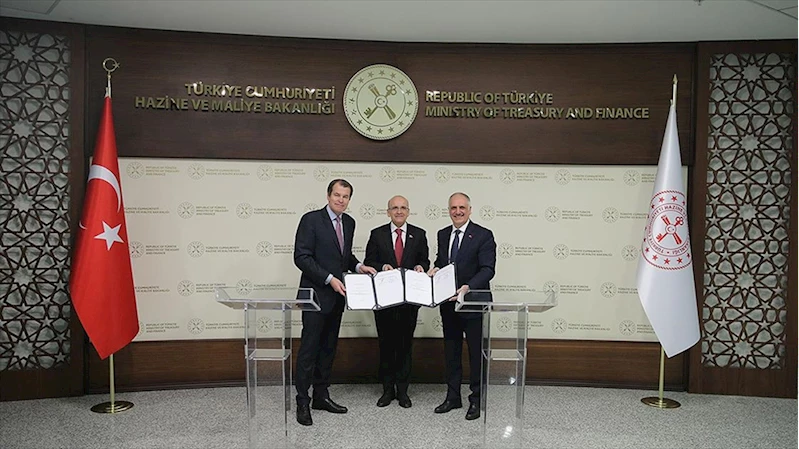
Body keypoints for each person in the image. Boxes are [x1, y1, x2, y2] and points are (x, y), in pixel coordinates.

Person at [293, 179, 377, 426]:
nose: (341, 200)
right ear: (328, 195)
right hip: (315, 296)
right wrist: (329, 279)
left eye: (346, 196)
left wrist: (359, 267)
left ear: (349, 199)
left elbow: (344, 256)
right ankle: (302, 401)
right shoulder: (311, 220)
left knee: (328, 349)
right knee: (309, 350)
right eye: (337, 195)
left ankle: (321, 396)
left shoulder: (349, 222)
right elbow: (301, 257)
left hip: (337, 297)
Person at [429, 192, 496, 421]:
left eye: (462, 207)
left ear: (469, 210)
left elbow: (488, 269)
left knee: (476, 354)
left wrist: (468, 287)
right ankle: (453, 397)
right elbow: (443, 262)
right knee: (452, 352)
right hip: (449, 304)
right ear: (449, 210)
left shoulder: (484, 235)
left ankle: (476, 399)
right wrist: (435, 269)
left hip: (474, 303)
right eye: (453, 208)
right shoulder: (443, 234)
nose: (457, 211)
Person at [364, 195, 430, 409]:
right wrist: (381, 267)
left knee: (405, 346)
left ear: (408, 211)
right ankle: (387, 390)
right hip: (384, 301)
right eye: (394, 208)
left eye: (403, 208)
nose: (399, 211)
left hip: (409, 301)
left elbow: (425, 260)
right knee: (386, 345)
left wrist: (421, 267)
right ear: (388, 212)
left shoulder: (419, 234)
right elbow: (369, 261)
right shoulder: (377, 234)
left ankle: (403, 391)